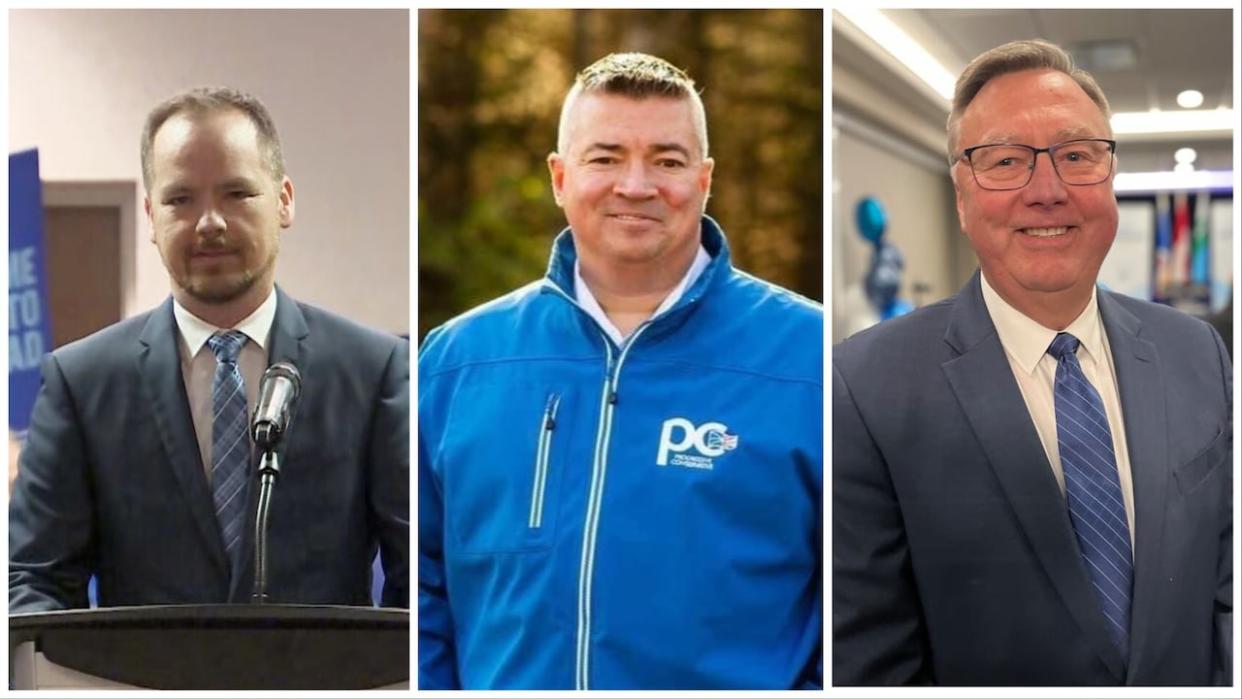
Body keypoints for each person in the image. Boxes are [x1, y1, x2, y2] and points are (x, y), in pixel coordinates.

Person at [833, 39, 1232, 685]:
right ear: (963, 196)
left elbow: (1224, 586)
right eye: (1006, 161)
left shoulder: (1199, 352)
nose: (1046, 191)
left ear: (1110, 177)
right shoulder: (862, 387)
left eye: (1076, 156)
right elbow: (869, 661)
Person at [418, 53, 822, 689]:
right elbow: (421, 591)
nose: (635, 185)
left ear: (705, 179)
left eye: (666, 160)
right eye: (604, 158)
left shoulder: (811, 358)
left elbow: (853, 602)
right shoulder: (458, 360)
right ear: (559, 176)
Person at [9, 87, 409, 611]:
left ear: (284, 200)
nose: (209, 223)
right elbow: (34, 582)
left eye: (236, 194)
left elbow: (417, 579)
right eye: (180, 200)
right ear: (151, 216)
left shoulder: (371, 370)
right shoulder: (82, 382)